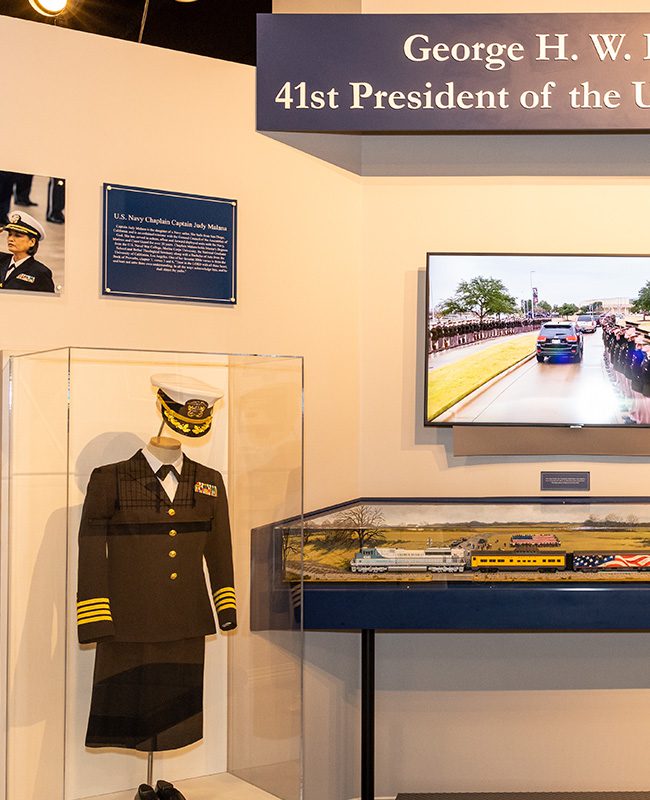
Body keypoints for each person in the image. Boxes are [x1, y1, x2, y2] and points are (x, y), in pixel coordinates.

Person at [0, 211, 55, 292]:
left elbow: (47, 299)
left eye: (18, 236)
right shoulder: (2, 259)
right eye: (10, 234)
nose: (10, 239)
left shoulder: (40, 272)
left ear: (32, 242)